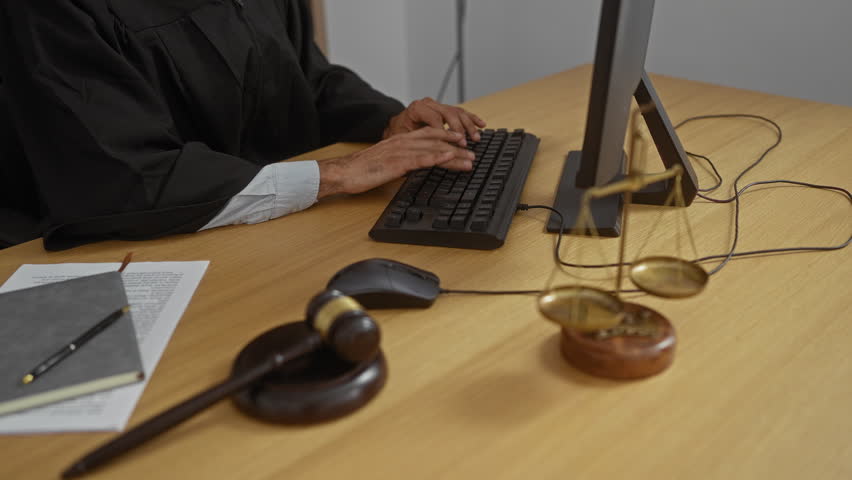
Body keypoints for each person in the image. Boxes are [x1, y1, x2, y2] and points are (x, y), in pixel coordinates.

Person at [0, 0, 485, 250]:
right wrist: (335, 174)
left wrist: (388, 122)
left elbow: (307, 78)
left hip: (265, 232)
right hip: (134, 246)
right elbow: (119, 176)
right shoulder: (50, 10)